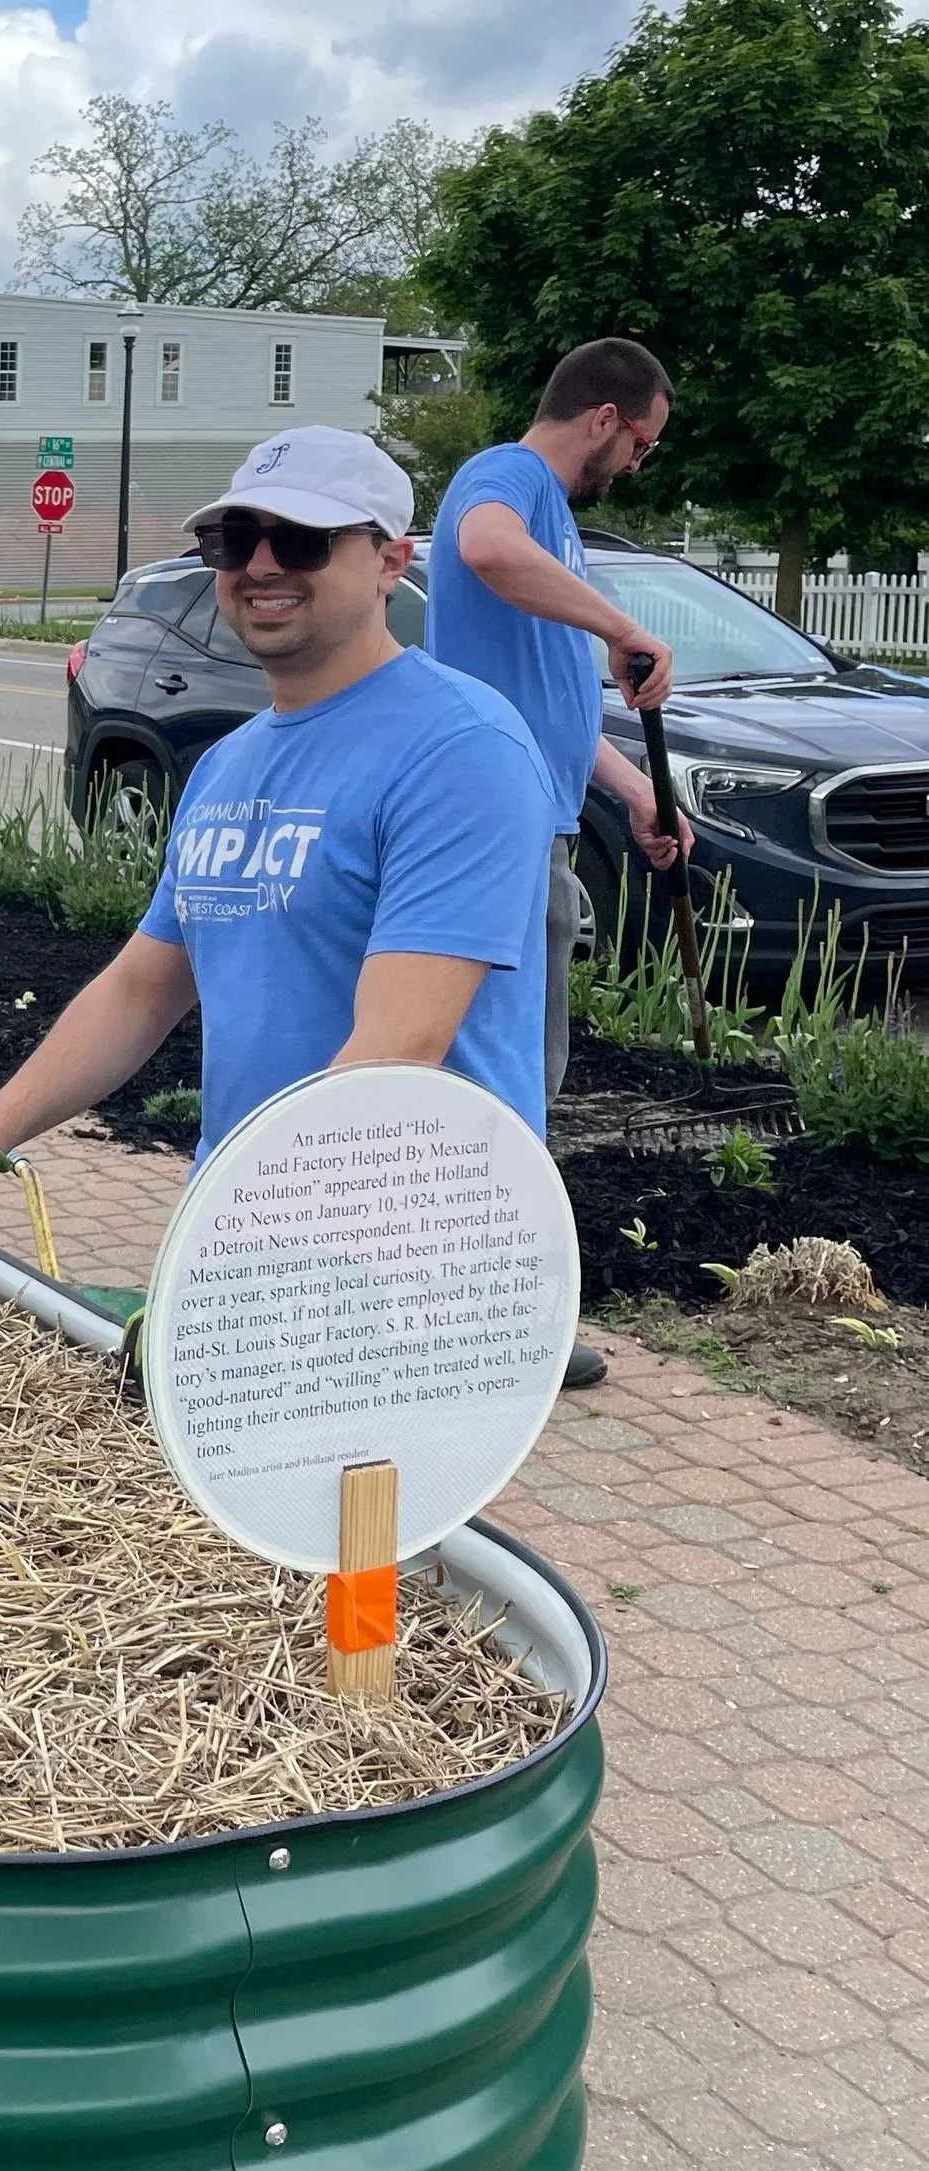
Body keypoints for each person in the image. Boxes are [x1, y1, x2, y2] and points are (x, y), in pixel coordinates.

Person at [0, 427, 556, 1269]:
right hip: (254, 1220)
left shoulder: (460, 748)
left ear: (389, 562)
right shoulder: (231, 763)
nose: (261, 565)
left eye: (302, 539)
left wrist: (242, 1268)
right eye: (233, 539)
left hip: (407, 1251)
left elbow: (397, 1046)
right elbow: (140, 990)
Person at [428, 336, 689, 1389]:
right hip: (493, 843)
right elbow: (485, 548)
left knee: (516, 1079)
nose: (634, 465)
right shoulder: (507, 481)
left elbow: (549, 701)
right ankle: (499, 1328)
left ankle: (490, 1316)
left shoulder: (555, 525)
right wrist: (624, 626)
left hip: (530, 829)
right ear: (604, 417)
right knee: (501, 1085)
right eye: (642, 445)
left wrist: (636, 795)